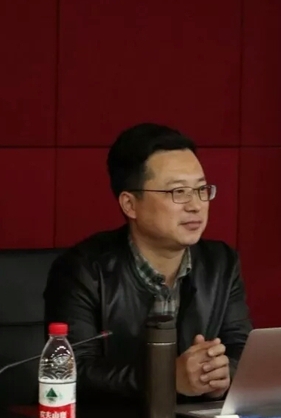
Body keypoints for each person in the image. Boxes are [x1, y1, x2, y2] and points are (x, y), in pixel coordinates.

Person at [43, 123, 253, 402]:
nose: (196, 205)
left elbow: (241, 348)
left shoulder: (220, 263)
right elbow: (72, 372)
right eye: (178, 192)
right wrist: (165, 378)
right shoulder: (83, 271)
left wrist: (224, 375)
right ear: (130, 204)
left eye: (201, 189)